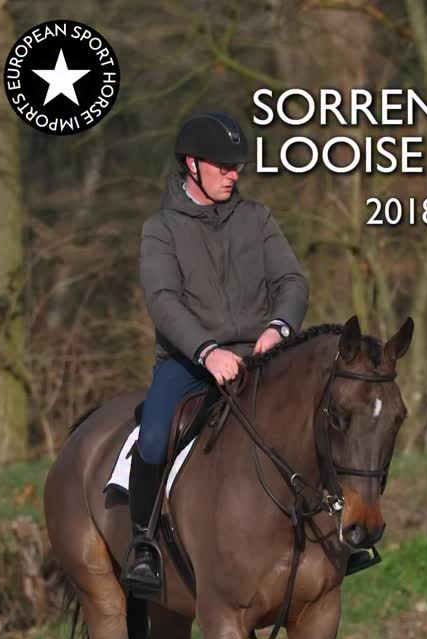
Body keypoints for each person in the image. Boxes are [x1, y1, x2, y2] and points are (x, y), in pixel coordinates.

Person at [123, 109, 309, 595]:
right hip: (187, 362)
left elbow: (291, 280)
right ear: (192, 164)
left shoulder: (257, 218)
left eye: (237, 166)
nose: (234, 173)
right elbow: (163, 302)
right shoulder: (160, 229)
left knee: (317, 417)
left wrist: (279, 326)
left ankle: (337, 536)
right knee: (153, 437)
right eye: (223, 166)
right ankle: (143, 543)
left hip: (258, 355)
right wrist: (207, 352)